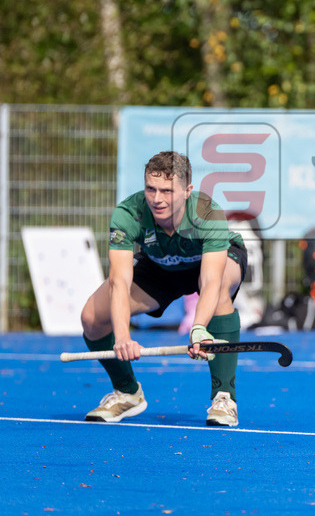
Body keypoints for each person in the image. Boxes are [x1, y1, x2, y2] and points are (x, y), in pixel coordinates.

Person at [79, 151, 248, 426]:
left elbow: (210, 281)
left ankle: (224, 397)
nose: (157, 198)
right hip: (160, 265)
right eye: (151, 189)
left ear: (187, 191)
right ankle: (127, 392)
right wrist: (122, 337)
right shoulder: (128, 213)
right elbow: (119, 281)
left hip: (209, 265)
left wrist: (198, 328)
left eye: (167, 191)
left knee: (218, 292)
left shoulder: (207, 212)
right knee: (92, 317)